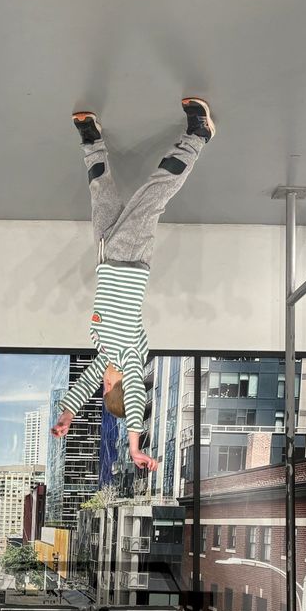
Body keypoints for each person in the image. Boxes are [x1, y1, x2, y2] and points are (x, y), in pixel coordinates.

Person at [50, 98, 215, 469]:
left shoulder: (106, 353)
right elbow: (137, 400)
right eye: (105, 388)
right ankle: (197, 136)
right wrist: (135, 447)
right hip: (130, 260)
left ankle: (92, 140)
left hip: (108, 256)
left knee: (100, 194)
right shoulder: (130, 356)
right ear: (117, 385)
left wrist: (67, 415)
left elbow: (82, 387)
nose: (100, 383)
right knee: (154, 193)